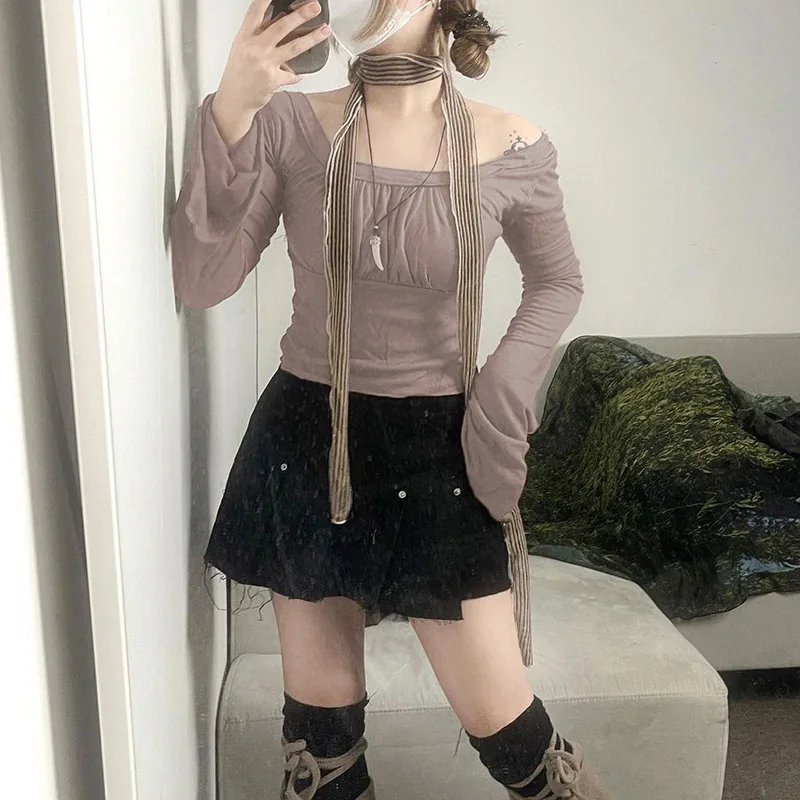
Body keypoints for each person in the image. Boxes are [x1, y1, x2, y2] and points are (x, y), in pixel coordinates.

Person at [171, 1, 611, 798]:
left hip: (440, 448)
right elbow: (203, 278)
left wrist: (505, 387)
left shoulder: (512, 143)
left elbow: (557, 280)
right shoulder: (291, 126)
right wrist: (233, 105)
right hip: (308, 437)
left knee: (516, 739)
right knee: (322, 744)